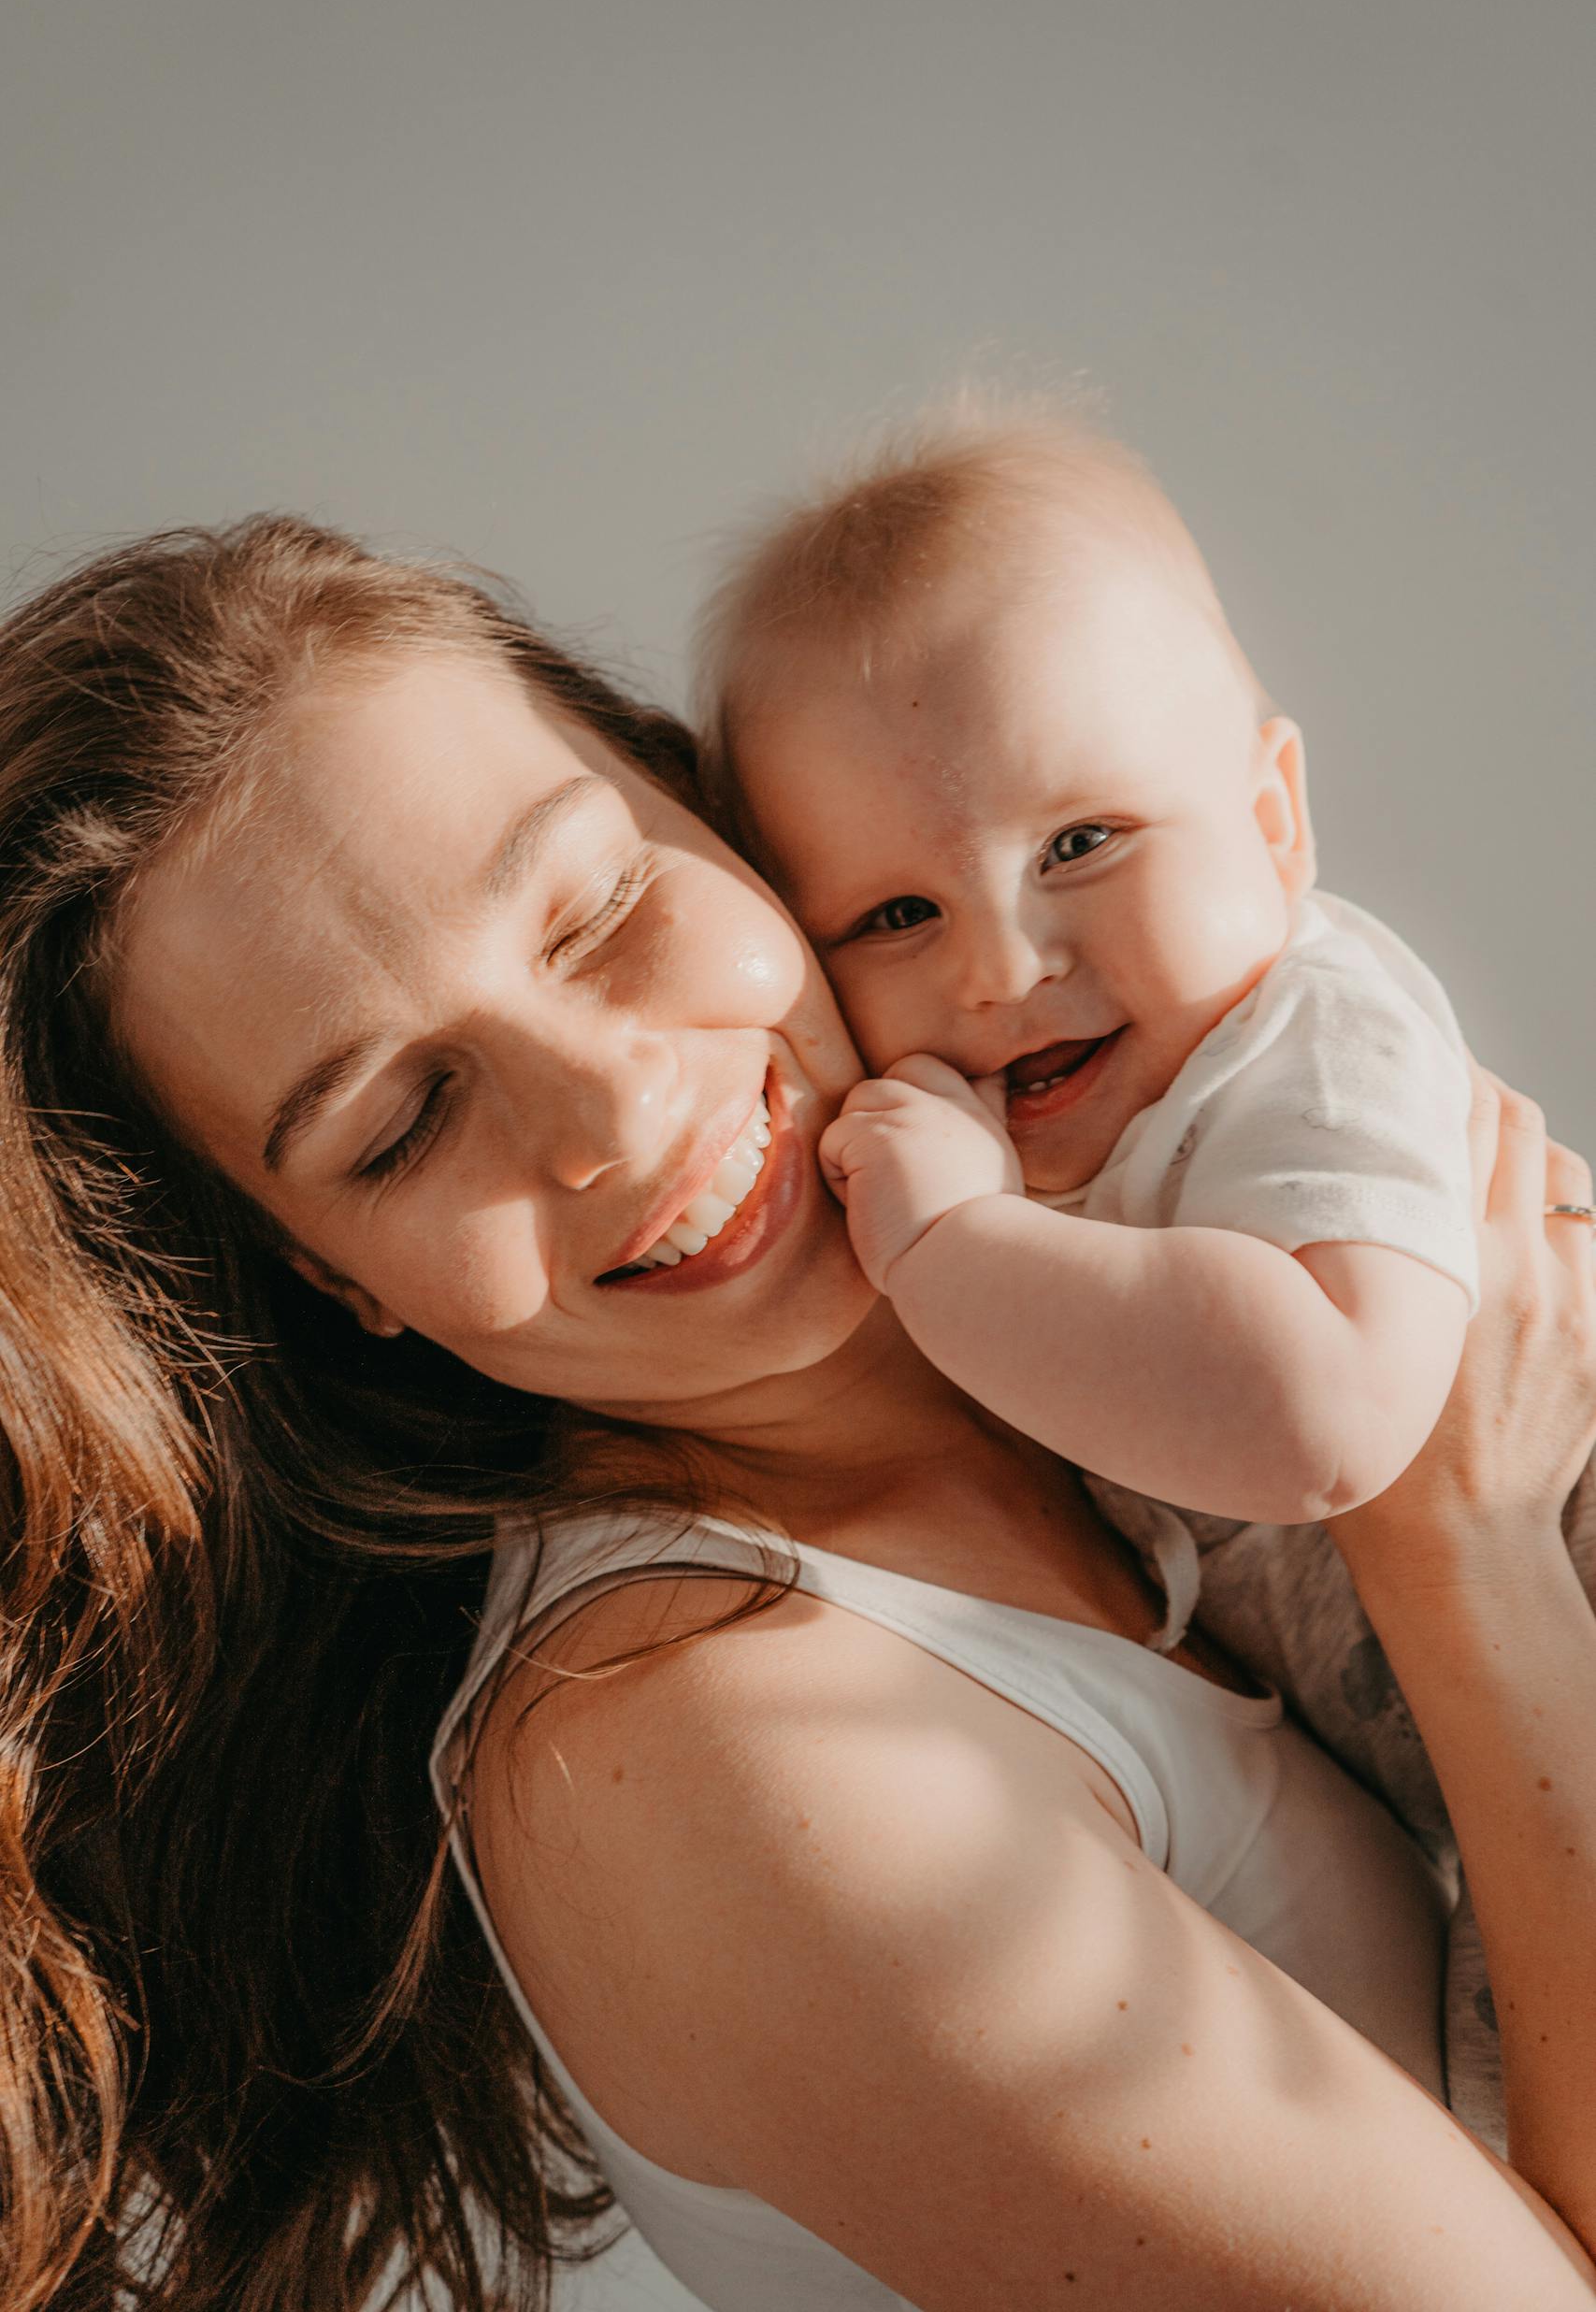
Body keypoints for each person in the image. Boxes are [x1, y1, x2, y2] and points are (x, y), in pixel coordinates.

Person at [3, 514, 1594, 2312]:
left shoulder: (1117, 1284)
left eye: (600, 907)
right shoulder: (719, 1751)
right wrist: (1470, 1547)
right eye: (400, 1124)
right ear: (336, 1278)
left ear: (723, 823)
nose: (607, 1103)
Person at [692, 397, 1596, 2142]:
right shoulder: (1093, 1135)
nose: (1005, 965)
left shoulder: (1307, 1040)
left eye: (1080, 844)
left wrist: (959, 1240)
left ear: (1275, 815)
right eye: (893, 918)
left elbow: (1321, 1416)